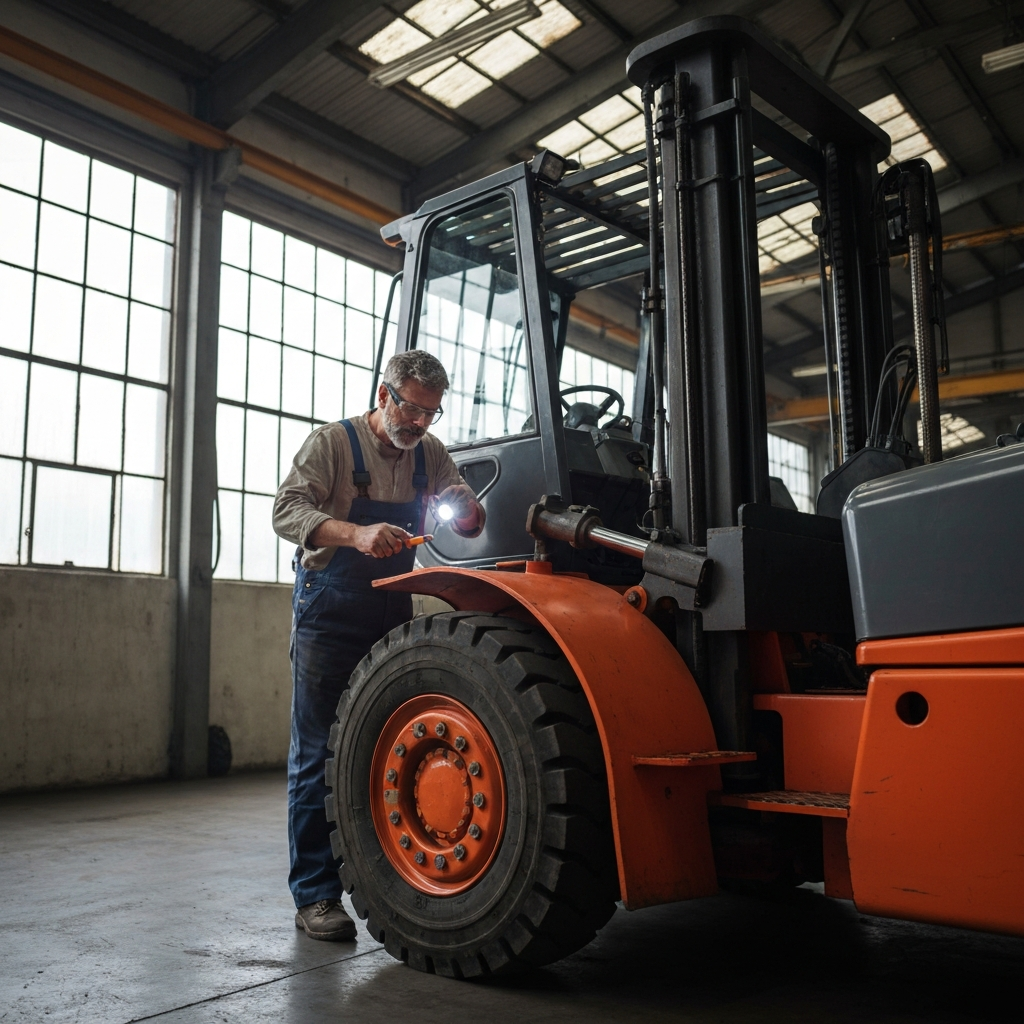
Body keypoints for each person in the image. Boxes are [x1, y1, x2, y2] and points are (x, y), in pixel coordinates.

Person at [272, 350, 484, 941]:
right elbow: (286, 511)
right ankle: (315, 895)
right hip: (329, 608)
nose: (419, 424)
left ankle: (379, 876)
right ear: (385, 395)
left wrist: (467, 512)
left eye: (431, 414)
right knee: (316, 752)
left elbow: (469, 514)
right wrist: (356, 533)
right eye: (412, 409)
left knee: (378, 750)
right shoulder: (332, 444)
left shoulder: (430, 454)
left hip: (393, 610)